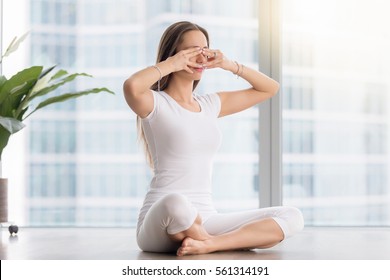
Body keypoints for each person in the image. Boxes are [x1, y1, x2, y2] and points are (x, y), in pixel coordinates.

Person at [123, 21, 304, 256]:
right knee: (175, 202)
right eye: (191, 51)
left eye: (204, 50)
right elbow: (131, 86)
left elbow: (269, 88)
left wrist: (228, 64)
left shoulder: (209, 104)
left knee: (292, 216)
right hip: (161, 220)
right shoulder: (154, 103)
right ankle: (221, 241)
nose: (200, 58)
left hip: (206, 217)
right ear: (174, 54)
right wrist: (171, 64)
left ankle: (206, 244)